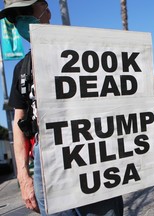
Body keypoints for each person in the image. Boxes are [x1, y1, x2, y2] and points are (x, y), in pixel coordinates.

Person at [0, 1, 123, 215]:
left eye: (26, 11)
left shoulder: (85, 51)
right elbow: (18, 123)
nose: (21, 20)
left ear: (46, 10)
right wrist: (23, 176)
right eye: (14, 16)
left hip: (89, 152)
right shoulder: (21, 69)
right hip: (44, 159)